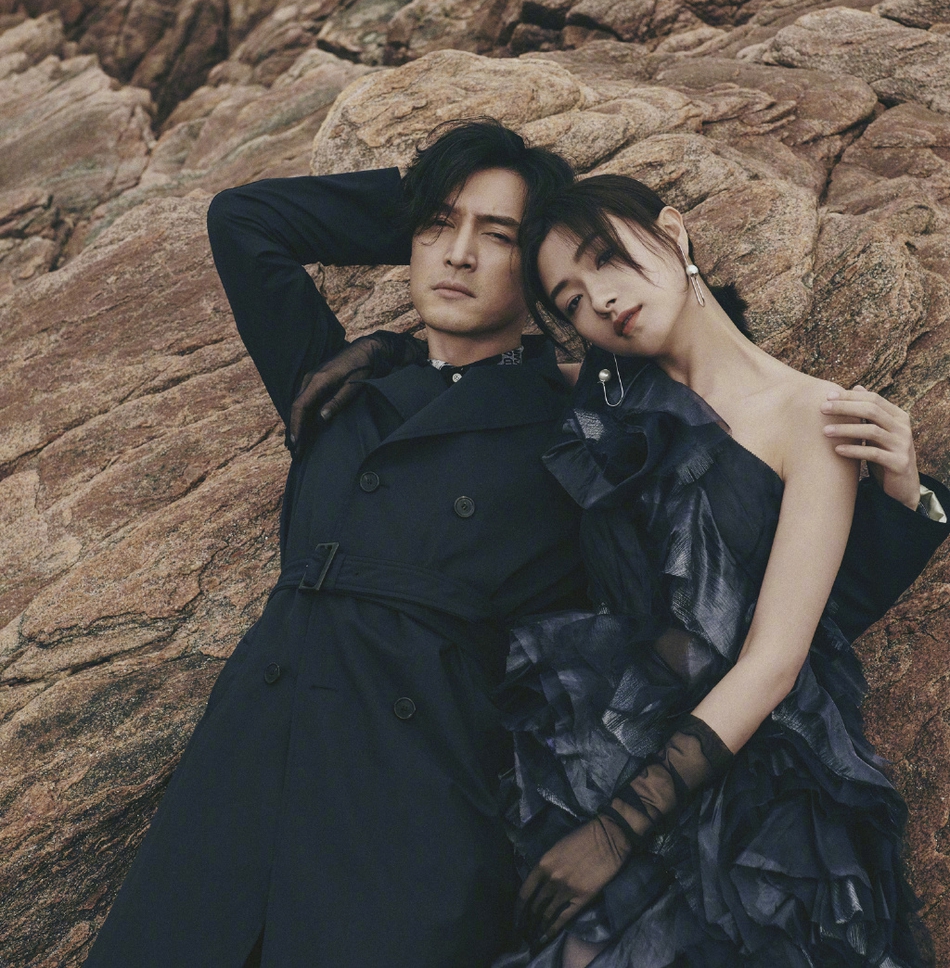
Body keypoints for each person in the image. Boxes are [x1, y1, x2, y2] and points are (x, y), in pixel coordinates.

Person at [84, 120, 946, 968]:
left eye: (497, 239)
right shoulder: (345, 387)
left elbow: (743, 606)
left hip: (415, 796)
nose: (458, 255)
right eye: (436, 229)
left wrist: (907, 499)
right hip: (244, 766)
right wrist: (414, 278)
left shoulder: (580, 421)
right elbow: (244, 220)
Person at [493, 173, 948, 967]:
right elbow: (486, 372)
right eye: (571, 302)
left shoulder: (814, 417)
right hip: (609, 746)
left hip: (754, 797)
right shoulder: (605, 403)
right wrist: (386, 354)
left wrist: (620, 828)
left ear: (675, 232)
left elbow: (779, 658)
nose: (600, 299)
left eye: (606, 257)